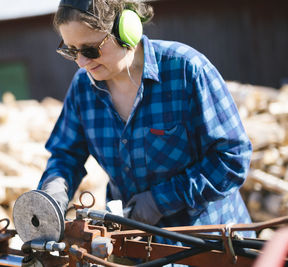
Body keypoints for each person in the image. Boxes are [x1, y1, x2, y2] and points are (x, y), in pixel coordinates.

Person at [37, 0, 254, 245]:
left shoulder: (187, 70)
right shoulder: (82, 88)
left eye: (90, 49)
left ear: (125, 30)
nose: (82, 62)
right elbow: (65, 155)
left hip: (207, 243)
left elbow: (232, 158)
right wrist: (53, 190)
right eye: (71, 51)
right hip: (133, 244)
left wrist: (160, 201)